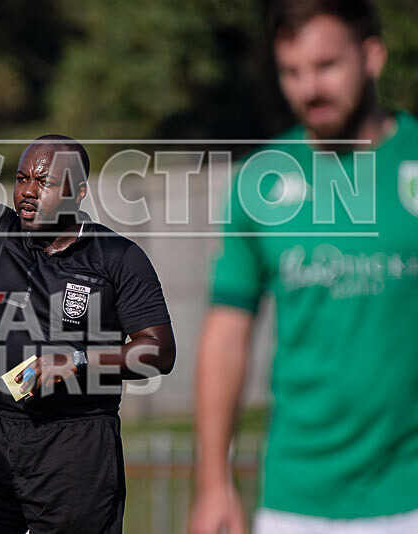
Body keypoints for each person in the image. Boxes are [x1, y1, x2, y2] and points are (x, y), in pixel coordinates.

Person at [0, 46, 176, 534]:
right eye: (21, 178)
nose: (25, 190)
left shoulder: (118, 258)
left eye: (42, 181)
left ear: (77, 191)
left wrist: (80, 361)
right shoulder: (0, 234)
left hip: (79, 444)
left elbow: (158, 351)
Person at [189, 1, 418, 533]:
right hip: (296, 503)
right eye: (291, 72)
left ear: (373, 56)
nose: (309, 88)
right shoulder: (260, 184)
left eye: (326, 66)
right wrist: (213, 483)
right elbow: (226, 335)